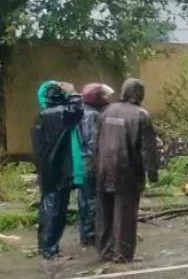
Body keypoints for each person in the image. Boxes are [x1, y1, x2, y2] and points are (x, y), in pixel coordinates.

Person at [92, 78, 159, 263]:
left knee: (105, 214)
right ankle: (122, 253)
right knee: (125, 216)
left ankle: (105, 251)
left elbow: (95, 143)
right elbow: (148, 150)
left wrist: (94, 167)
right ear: (139, 94)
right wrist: (152, 173)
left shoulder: (106, 111)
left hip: (103, 170)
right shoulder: (141, 115)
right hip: (126, 173)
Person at [32, 81, 84, 260]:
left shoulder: (44, 114)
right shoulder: (55, 114)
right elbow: (77, 110)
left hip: (50, 169)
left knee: (52, 208)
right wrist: (72, 92)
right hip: (57, 171)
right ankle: (49, 250)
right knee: (54, 209)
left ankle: (47, 247)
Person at [76, 83, 114, 248]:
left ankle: (86, 234)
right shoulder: (92, 116)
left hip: (82, 161)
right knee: (92, 199)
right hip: (90, 162)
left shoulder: (83, 111)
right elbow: (93, 143)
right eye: (103, 96)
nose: (106, 99)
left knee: (84, 199)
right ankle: (91, 235)